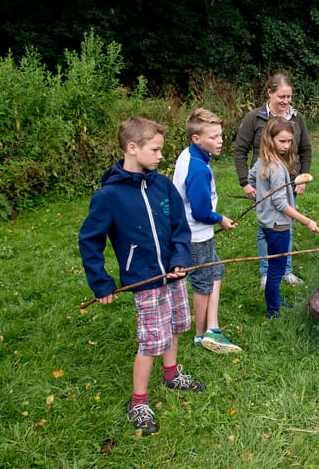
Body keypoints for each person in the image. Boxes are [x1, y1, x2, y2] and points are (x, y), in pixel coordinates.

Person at [78, 117, 205, 437]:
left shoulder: (162, 185)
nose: (161, 156)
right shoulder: (108, 196)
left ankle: (172, 373)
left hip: (173, 275)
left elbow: (180, 226)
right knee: (151, 340)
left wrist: (179, 258)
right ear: (132, 149)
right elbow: (89, 240)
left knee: (176, 324)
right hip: (144, 278)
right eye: (155, 149)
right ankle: (139, 402)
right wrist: (101, 282)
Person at [234, 73, 313, 289]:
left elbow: (305, 149)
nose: (286, 101)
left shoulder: (297, 119)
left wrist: (302, 177)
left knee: (286, 226)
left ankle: (285, 270)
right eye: (281, 96)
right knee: (265, 229)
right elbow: (240, 151)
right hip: (264, 184)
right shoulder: (254, 118)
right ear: (269, 93)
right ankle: (266, 273)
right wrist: (245, 182)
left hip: (290, 185)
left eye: (289, 97)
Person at [173, 108, 241, 354]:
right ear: (196, 139)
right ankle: (201, 335)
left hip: (193, 233)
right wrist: (220, 218)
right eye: (213, 137)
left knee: (217, 271)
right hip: (196, 235)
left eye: (220, 135)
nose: (220, 140)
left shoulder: (192, 156)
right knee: (202, 283)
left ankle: (212, 327)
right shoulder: (198, 169)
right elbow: (200, 212)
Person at [249, 117, 319, 318]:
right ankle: (273, 310)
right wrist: (307, 221)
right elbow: (281, 204)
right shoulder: (277, 168)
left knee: (274, 265)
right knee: (276, 270)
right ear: (270, 139)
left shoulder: (262, 161)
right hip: (278, 225)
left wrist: (261, 195)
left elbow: (252, 178)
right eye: (282, 141)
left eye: (289, 141)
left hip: (265, 221)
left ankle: (276, 300)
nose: (286, 145)